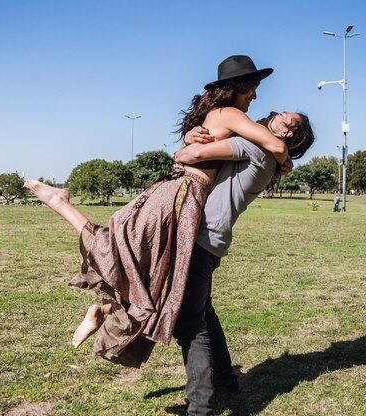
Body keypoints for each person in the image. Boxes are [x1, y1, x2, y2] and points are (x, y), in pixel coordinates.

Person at [24, 55, 294, 369]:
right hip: (182, 195)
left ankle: (104, 309)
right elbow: (273, 146)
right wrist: (285, 160)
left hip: (176, 190)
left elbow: (193, 150)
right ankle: (60, 203)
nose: (256, 96)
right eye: (252, 88)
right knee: (129, 250)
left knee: (146, 263)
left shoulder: (213, 115)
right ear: (236, 86)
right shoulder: (230, 113)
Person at [172, 112, 314, 414]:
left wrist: (181, 150)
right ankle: (225, 379)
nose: (276, 113)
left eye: (285, 118)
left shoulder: (256, 147)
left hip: (201, 237)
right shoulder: (269, 155)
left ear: (288, 135)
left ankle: (201, 409)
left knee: (190, 325)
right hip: (213, 239)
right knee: (203, 312)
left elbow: (193, 154)